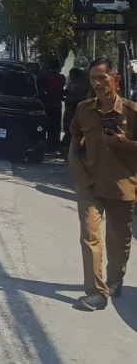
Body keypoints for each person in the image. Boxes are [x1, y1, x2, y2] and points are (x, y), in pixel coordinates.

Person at [68, 58, 137, 311]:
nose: (96, 83)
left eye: (102, 78)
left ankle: (115, 279)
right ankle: (96, 292)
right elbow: (75, 134)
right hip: (89, 182)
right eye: (93, 78)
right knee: (90, 236)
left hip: (122, 185)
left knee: (118, 242)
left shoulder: (132, 111)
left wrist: (124, 144)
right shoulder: (84, 109)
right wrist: (73, 161)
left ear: (115, 79)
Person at [37, 58, 66, 150]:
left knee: (45, 125)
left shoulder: (44, 77)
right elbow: (62, 91)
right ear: (58, 67)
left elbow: (38, 88)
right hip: (57, 105)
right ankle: (54, 145)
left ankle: (44, 144)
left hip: (45, 105)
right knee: (56, 127)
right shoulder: (62, 78)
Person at [63, 67, 91, 148]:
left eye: (73, 76)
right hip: (70, 109)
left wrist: (68, 99)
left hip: (75, 110)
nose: (71, 78)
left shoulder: (81, 85)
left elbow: (76, 97)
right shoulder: (72, 84)